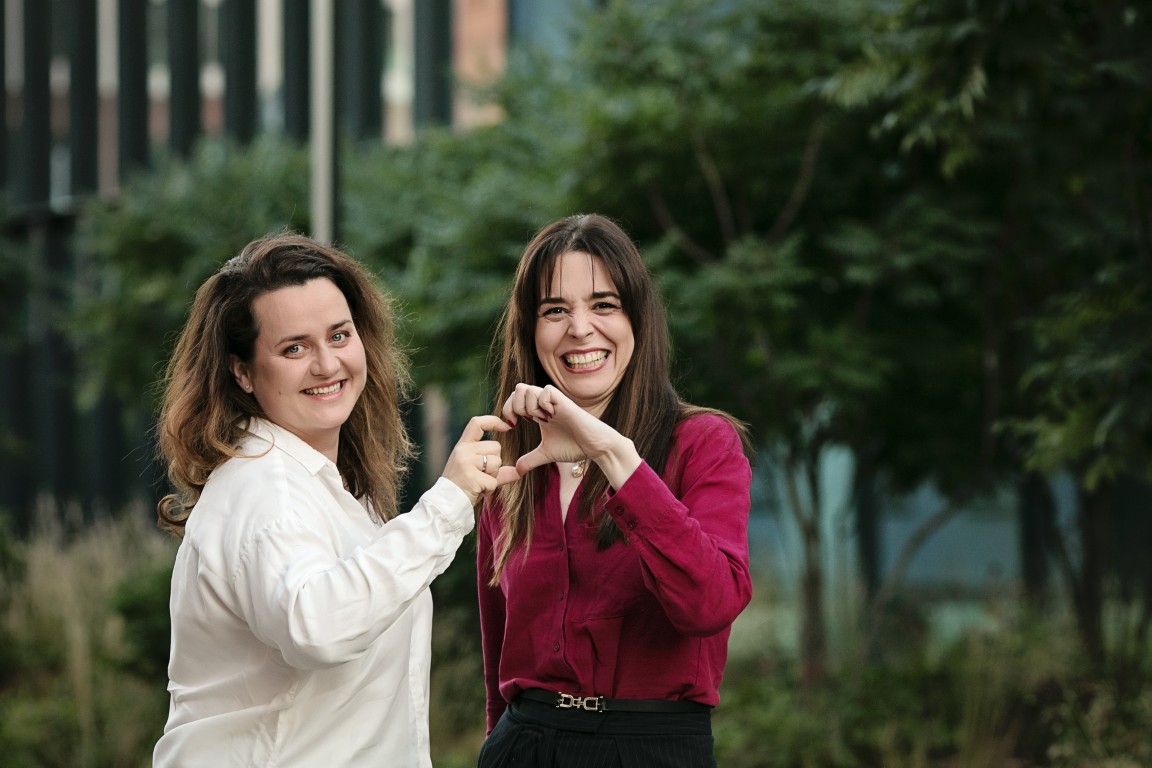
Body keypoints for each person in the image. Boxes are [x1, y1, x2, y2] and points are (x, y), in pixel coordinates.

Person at [151, 232, 516, 767]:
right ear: (242, 371)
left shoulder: (320, 483)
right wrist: (448, 503)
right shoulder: (264, 485)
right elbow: (316, 627)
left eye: (339, 335)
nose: (327, 364)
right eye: (294, 348)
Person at [476, 214, 754, 767]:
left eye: (604, 304)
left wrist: (612, 454)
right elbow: (497, 661)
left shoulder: (702, 443)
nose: (580, 329)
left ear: (637, 318)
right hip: (522, 745)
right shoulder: (513, 465)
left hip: (652, 749)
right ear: (531, 331)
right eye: (555, 310)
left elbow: (710, 605)